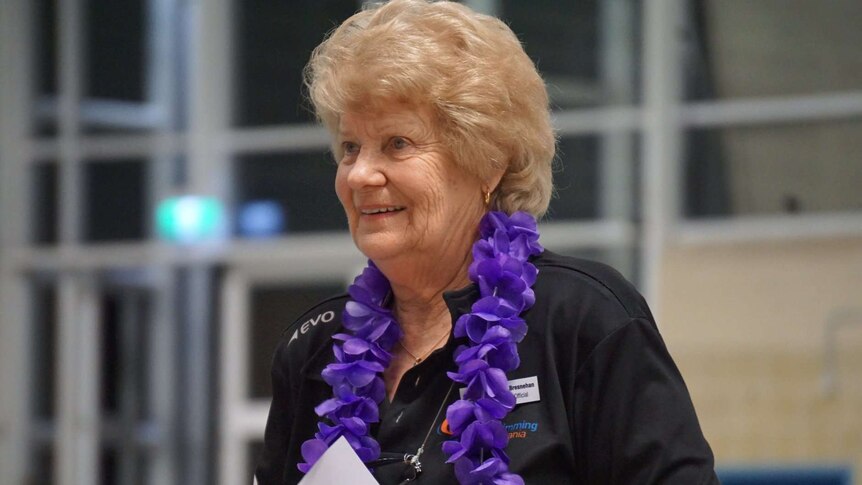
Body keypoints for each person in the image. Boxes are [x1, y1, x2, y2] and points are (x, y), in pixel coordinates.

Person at [255, 1, 719, 484]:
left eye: (397, 143)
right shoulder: (316, 348)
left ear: (488, 162)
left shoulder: (581, 319)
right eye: (350, 147)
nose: (360, 174)